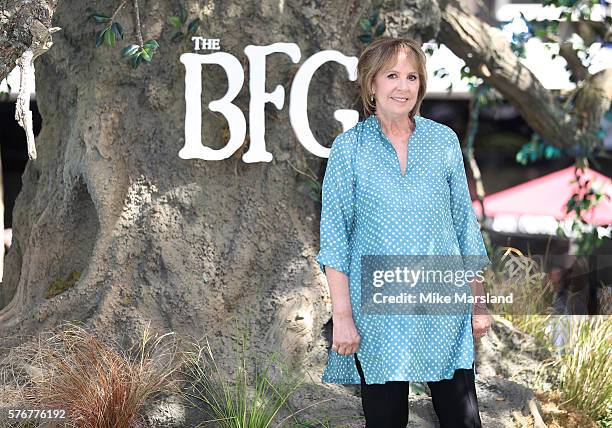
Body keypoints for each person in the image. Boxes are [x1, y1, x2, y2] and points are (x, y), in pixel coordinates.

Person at [316, 37, 493, 428]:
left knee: (463, 420)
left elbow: (464, 226)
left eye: (412, 77)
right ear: (371, 83)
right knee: (385, 420)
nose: (403, 86)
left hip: (442, 300)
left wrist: (478, 303)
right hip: (377, 309)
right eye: (392, 75)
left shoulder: (443, 141)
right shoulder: (349, 149)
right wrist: (342, 316)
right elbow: (335, 238)